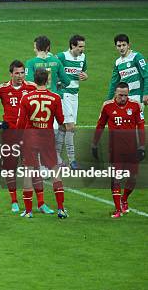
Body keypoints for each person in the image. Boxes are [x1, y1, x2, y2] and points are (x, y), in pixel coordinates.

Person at [0, 60, 55, 214]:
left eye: (22, 73)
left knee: (33, 168)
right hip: (10, 135)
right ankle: (14, 201)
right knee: (10, 168)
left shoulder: (32, 87)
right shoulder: (2, 88)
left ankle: (41, 203)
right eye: (17, 73)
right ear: (11, 74)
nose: (20, 76)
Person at [17, 68, 68, 219]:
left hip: (30, 137)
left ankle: (28, 211)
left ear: (34, 79)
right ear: (47, 80)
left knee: (28, 172)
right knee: (55, 171)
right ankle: (61, 209)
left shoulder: (26, 98)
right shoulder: (55, 97)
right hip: (47, 138)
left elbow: (20, 123)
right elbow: (60, 120)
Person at [92, 82, 145, 218]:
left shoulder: (135, 106)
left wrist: (142, 146)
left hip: (132, 148)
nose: (123, 98)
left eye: (125, 95)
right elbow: (100, 125)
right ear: (115, 93)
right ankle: (117, 209)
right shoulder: (107, 106)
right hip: (115, 149)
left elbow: (140, 126)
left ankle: (124, 199)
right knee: (116, 178)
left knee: (132, 178)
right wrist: (94, 144)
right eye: (120, 95)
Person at [55, 35, 88, 170]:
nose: (82, 49)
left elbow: (84, 72)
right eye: (80, 46)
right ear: (72, 46)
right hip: (64, 94)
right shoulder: (61, 57)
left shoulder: (83, 57)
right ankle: (72, 160)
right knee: (70, 126)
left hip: (75, 94)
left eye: (83, 46)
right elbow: (53, 70)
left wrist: (85, 76)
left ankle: (56, 157)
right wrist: (57, 83)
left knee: (63, 127)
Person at [107, 34, 147, 107]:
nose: (121, 48)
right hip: (124, 97)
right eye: (119, 46)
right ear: (116, 47)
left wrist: (146, 94)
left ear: (128, 45)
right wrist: (108, 100)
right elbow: (114, 83)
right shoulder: (118, 62)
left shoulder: (136, 57)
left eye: (124, 45)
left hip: (137, 96)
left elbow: (146, 76)